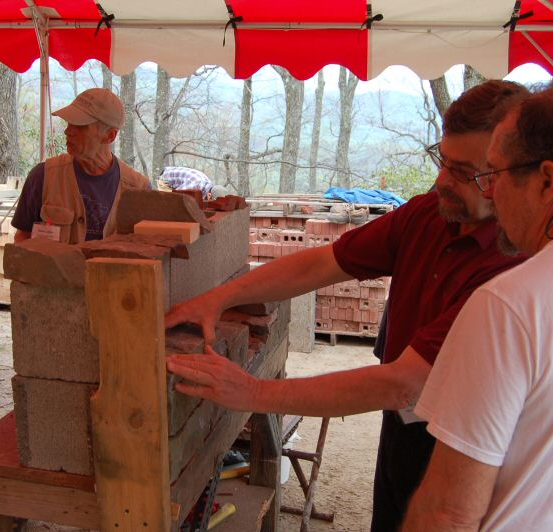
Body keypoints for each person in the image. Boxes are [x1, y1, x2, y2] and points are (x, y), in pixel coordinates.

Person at [165, 80, 529, 531]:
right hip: (405, 426)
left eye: (464, 172)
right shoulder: (426, 213)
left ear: (510, 173)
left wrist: (254, 393)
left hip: (465, 446)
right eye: (442, 160)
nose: (441, 180)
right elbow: (321, 263)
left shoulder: (514, 264)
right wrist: (220, 297)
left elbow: (402, 384)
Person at [403, 86, 553, 531]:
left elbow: (449, 513)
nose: (491, 193)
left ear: (547, 181)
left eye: (496, 174)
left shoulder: (507, 305)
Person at [12, 88, 150, 244]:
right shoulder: (43, 176)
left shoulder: (139, 190)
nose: (68, 131)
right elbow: (22, 237)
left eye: (81, 126)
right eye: (69, 123)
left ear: (110, 135)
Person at [157, 166, 226, 200]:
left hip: (175, 178)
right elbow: (177, 193)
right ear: (209, 195)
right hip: (165, 179)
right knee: (168, 201)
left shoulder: (208, 186)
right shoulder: (196, 186)